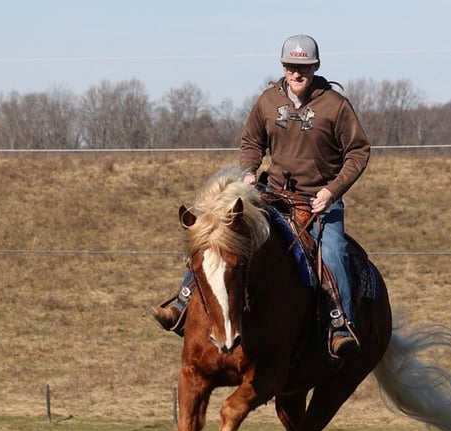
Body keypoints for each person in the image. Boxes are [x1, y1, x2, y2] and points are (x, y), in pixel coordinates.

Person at [151, 34, 370, 358]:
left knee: (335, 251)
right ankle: (182, 302)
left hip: (319, 200)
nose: (297, 74)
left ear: (316, 66)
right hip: (274, 193)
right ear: (283, 66)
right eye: (292, 67)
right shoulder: (267, 101)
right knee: (220, 231)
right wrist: (250, 172)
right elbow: (252, 142)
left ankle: (340, 324)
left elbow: (358, 151)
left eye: (304, 68)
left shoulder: (335, 105)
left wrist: (331, 190)